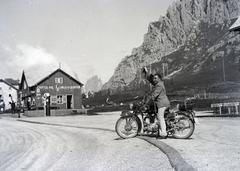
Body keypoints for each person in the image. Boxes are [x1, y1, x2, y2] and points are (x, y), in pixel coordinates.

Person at [142, 67, 170, 138]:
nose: (154, 79)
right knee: (158, 117)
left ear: (159, 78)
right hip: (161, 103)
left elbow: (154, 95)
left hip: (162, 104)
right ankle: (160, 132)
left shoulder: (159, 85)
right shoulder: (158, 83)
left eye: (156, 78)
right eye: (154, 78)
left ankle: (164, 133)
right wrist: (147, 73)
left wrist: (147, 102)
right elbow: (151, 80)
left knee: (160, 117)